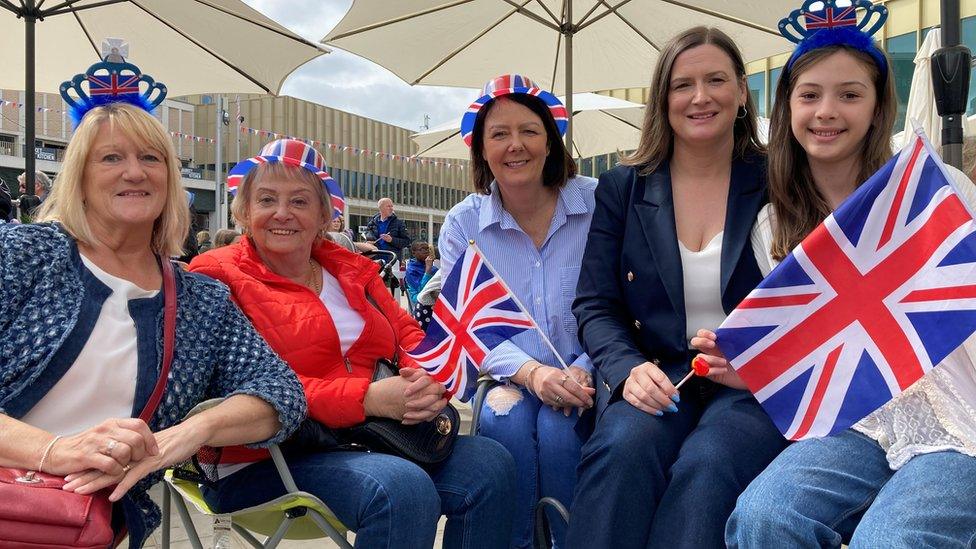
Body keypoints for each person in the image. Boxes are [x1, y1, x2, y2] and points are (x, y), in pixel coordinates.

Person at [690, 2, 976, 546]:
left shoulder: (935, 190)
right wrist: (749, 367)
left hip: (964, 421)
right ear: (787, 107)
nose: (826, 111)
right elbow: (815, 347)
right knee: (763, 517)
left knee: (891, 540)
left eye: (849, 94)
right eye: (809, 95)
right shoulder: (774, 223)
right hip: (858, 419)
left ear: (877, 108)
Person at [0, 102, 306, 548]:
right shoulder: (19, 254)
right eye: (111, 158)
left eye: (150, 158)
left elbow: (281, 391)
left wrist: (189, 434)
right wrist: (55, 450)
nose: (135, 172)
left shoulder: (200, 301)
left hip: (80, 526)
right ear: (79, 178)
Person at [189, 138, 516, 549]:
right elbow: (242, 388)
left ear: (325, 213)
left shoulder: (352, 268)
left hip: (368, 437)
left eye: (300, 201)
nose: (282, 213)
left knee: (491, 464)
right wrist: (369, 398)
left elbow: (410, 336)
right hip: (264, 456)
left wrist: (428, 379)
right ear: (243, 211)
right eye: (266, 199)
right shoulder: (216, 277)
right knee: (400, 489)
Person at [564, 27, 788, 549]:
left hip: (754, 379)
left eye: (716, 80)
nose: (700, 96)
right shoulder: (625, 186)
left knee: (709, 465)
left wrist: (768, 360)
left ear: (741, 94)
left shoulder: (781, 176)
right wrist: (625, 370)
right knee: (621, 450)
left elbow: (818, 295)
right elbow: (595, 303)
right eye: (683, 84)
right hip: (658, 369)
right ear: (663, 99)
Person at [439, 74, 597, 549]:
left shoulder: (597, 202)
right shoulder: (465, 223)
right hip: (507, 377)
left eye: (529, 130)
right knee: (504, 422)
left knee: (560, 429)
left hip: (591, 372)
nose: (515, 145)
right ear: (481, 150)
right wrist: (532, 374)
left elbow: (619, 301)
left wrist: (583, 369)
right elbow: (467, 324)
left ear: (550, 140)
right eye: (499, 134)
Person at [405, 241, 437, 306]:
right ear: (414, 253)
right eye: (422, 249)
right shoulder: (411, 270)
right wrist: (428, 270)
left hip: (433, 294)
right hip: (419, 298)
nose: (426, 251)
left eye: (427, 248)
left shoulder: (433, 268)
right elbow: (421, 289)